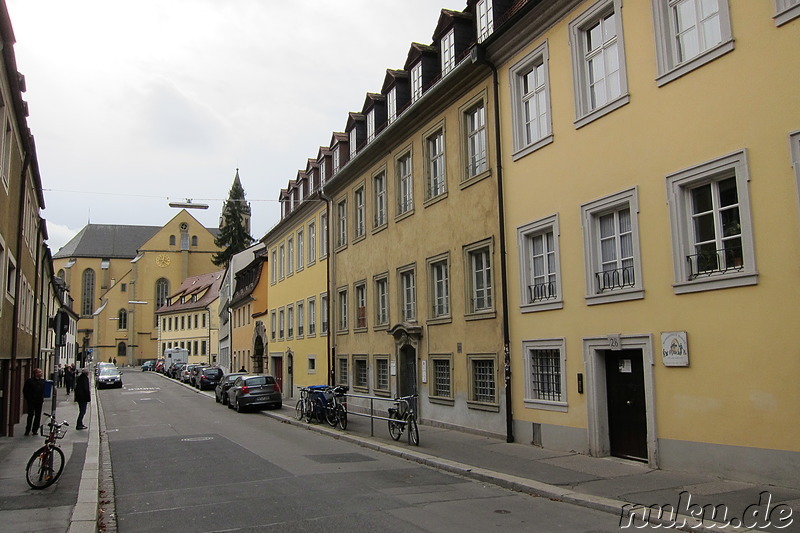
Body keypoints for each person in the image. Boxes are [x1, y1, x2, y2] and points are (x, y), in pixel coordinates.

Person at [23, 368, 45, 436]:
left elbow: (42, 390)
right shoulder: (30, 381)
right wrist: (28, 398)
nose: (40, 374)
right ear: (35, 373)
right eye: (39, 372)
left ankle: (35, 430)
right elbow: (25, 391)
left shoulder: (42, 381)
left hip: (39, 401)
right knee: (30, 415)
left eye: (41, 372)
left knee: (38, 416)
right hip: (31, 401)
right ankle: (27, 429)